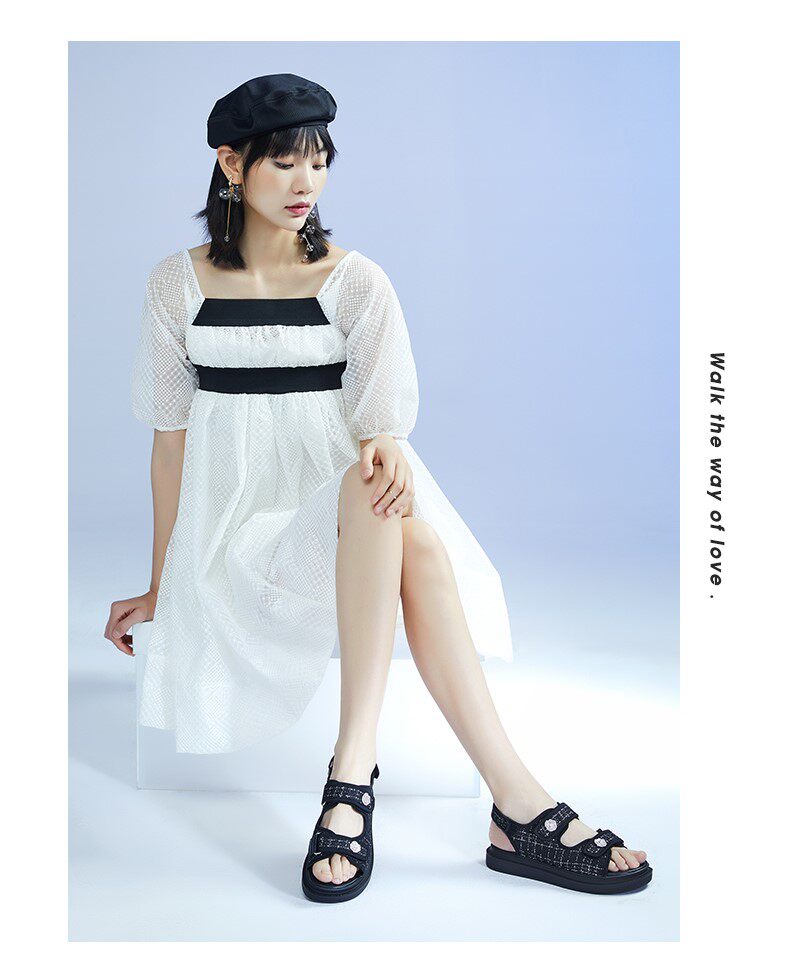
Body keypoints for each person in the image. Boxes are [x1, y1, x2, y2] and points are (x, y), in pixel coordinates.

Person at [104, 73, 651, 902]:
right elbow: (169, 447)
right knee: (412, 540)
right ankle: (519, 808)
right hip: (236, 539)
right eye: (285, 162)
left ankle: (353, 774)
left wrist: (384, 440)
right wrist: (161, 584)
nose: (306, 183)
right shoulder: (175, 286)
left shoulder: (356, 282)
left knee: (376, 486)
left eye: (319, 162)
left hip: (342, 527)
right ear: (231, 164)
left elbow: (379, 432)